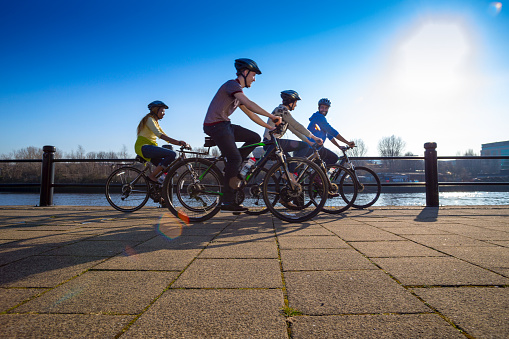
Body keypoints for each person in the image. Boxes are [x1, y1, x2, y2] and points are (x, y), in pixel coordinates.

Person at [203, 58, 282, 212]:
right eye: (253, 75)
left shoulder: (237, 93)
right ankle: (227, 202)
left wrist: (268, 126)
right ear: (245, 72)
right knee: (235, 158)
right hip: (215, 125)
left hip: (224, 124)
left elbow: (251, 113)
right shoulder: (232, 85)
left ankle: (233, 165)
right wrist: (272, 117)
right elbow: (250, 103)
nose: (254, 79)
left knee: (254, 138)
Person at [135, 100, 187, 183]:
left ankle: (158, 189)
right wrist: (178, 142)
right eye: (162, 111)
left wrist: (179, 142)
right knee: (172, 154)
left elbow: (164, 135)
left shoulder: (155, 122)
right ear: (156, 110)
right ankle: (152, 176)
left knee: (168, 170)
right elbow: (160, 135)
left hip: (149, 147)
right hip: (143, 147)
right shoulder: (149, 119)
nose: (164, 113)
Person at [263, 90, 323, 158]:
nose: (296, 105)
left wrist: (309, 142)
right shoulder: (282, 110)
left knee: (289, 162)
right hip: (271, 143)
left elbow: (295, 130)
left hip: (272, 144)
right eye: (295, 102)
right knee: (304, 147)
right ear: (290, 102)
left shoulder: (282, 112)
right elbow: (297, 125)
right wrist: (314, 137)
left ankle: (294, 164)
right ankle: (296, 163)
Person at [295, 98, 355, 164]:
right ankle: (319, 174)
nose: (324, 110)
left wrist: (339, 146)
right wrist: (347, 142)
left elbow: (330, 136)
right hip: (310, 148)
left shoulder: (320, 119)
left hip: (313, 148)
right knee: (334, 158)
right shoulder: (319, 118)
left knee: (321, 165)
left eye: (326, 108)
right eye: (322, 107)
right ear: (318, 108)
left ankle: (318, 174)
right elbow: (332, 131)